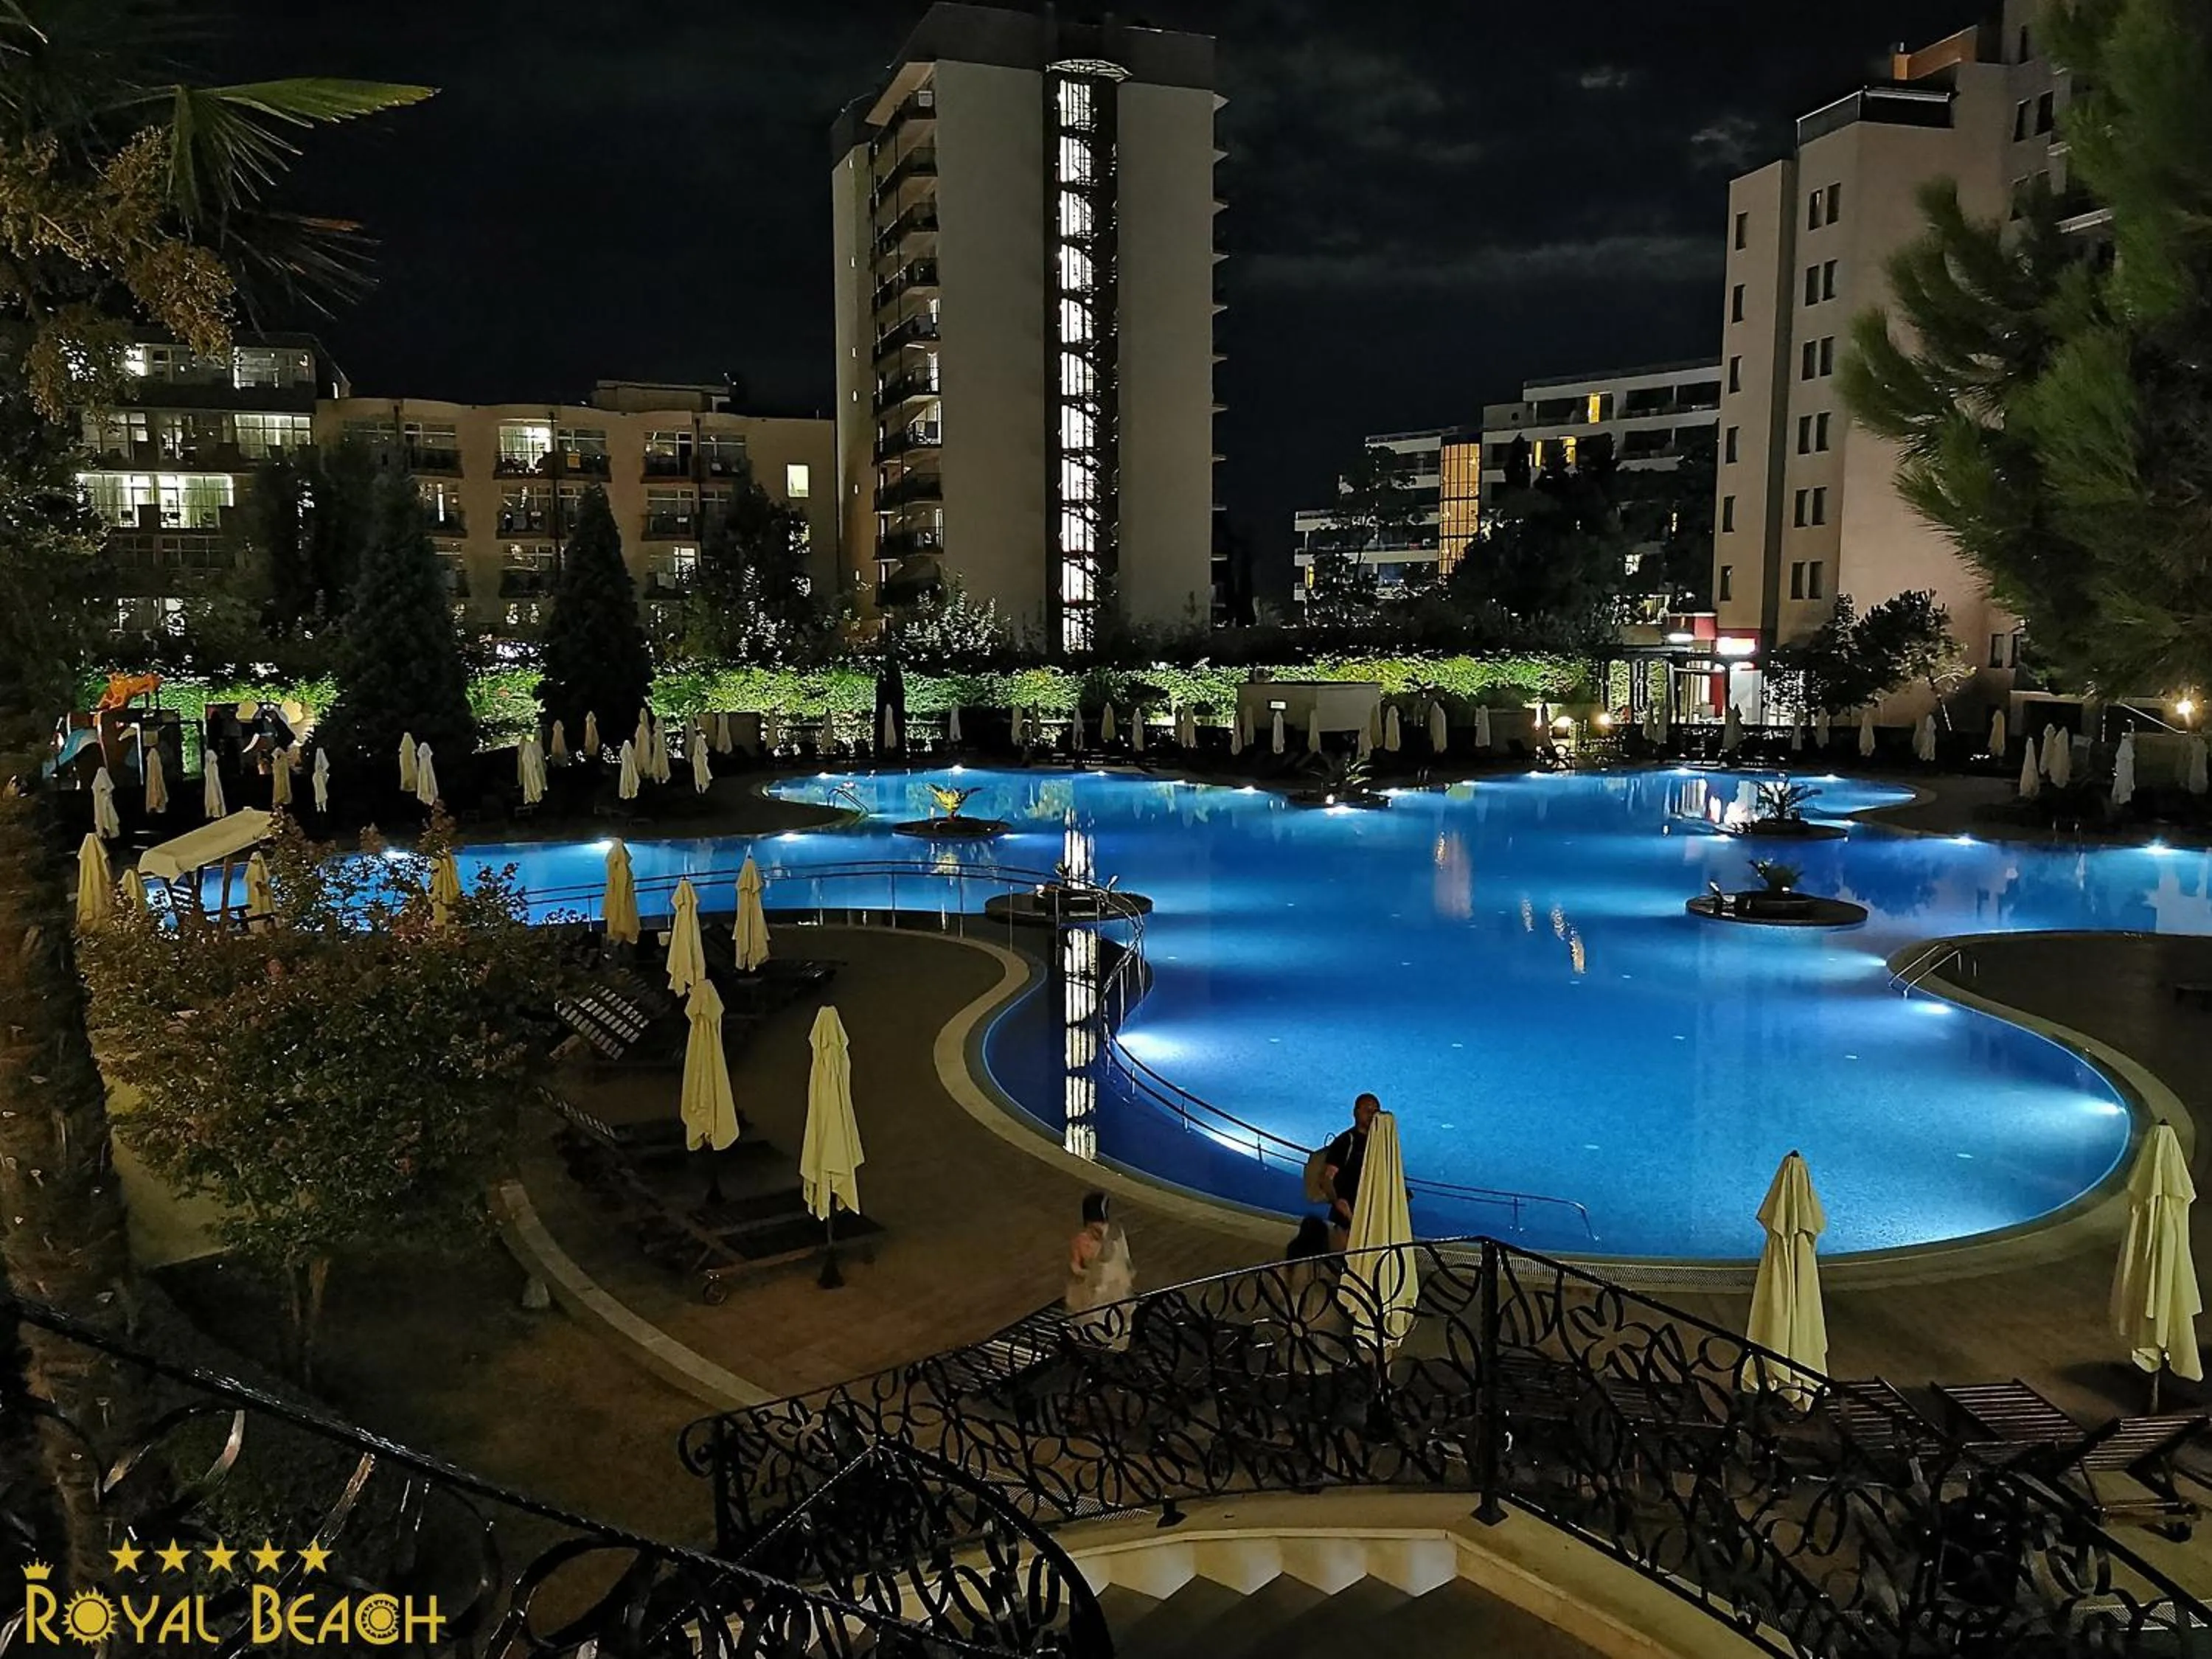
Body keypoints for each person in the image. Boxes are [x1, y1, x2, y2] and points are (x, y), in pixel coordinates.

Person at [1065, 1191, 1135, 1351]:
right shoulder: (1089, 1239)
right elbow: (1076, 1268)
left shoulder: (1109, 1236)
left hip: (1111, 1296)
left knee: (1112, 1327)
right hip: (1101, 1296)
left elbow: (1076, 1268)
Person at [1324, 1093, 1380, 1246]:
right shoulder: (1345, 1142)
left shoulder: (1379, 1144)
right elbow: (1327, 1178)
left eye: (1375, 1112)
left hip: (1369, 1213)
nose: (1372, 1116)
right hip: (1347, 1215)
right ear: (1356, 1112)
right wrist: (1338, 1202)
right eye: (1368, 1111)